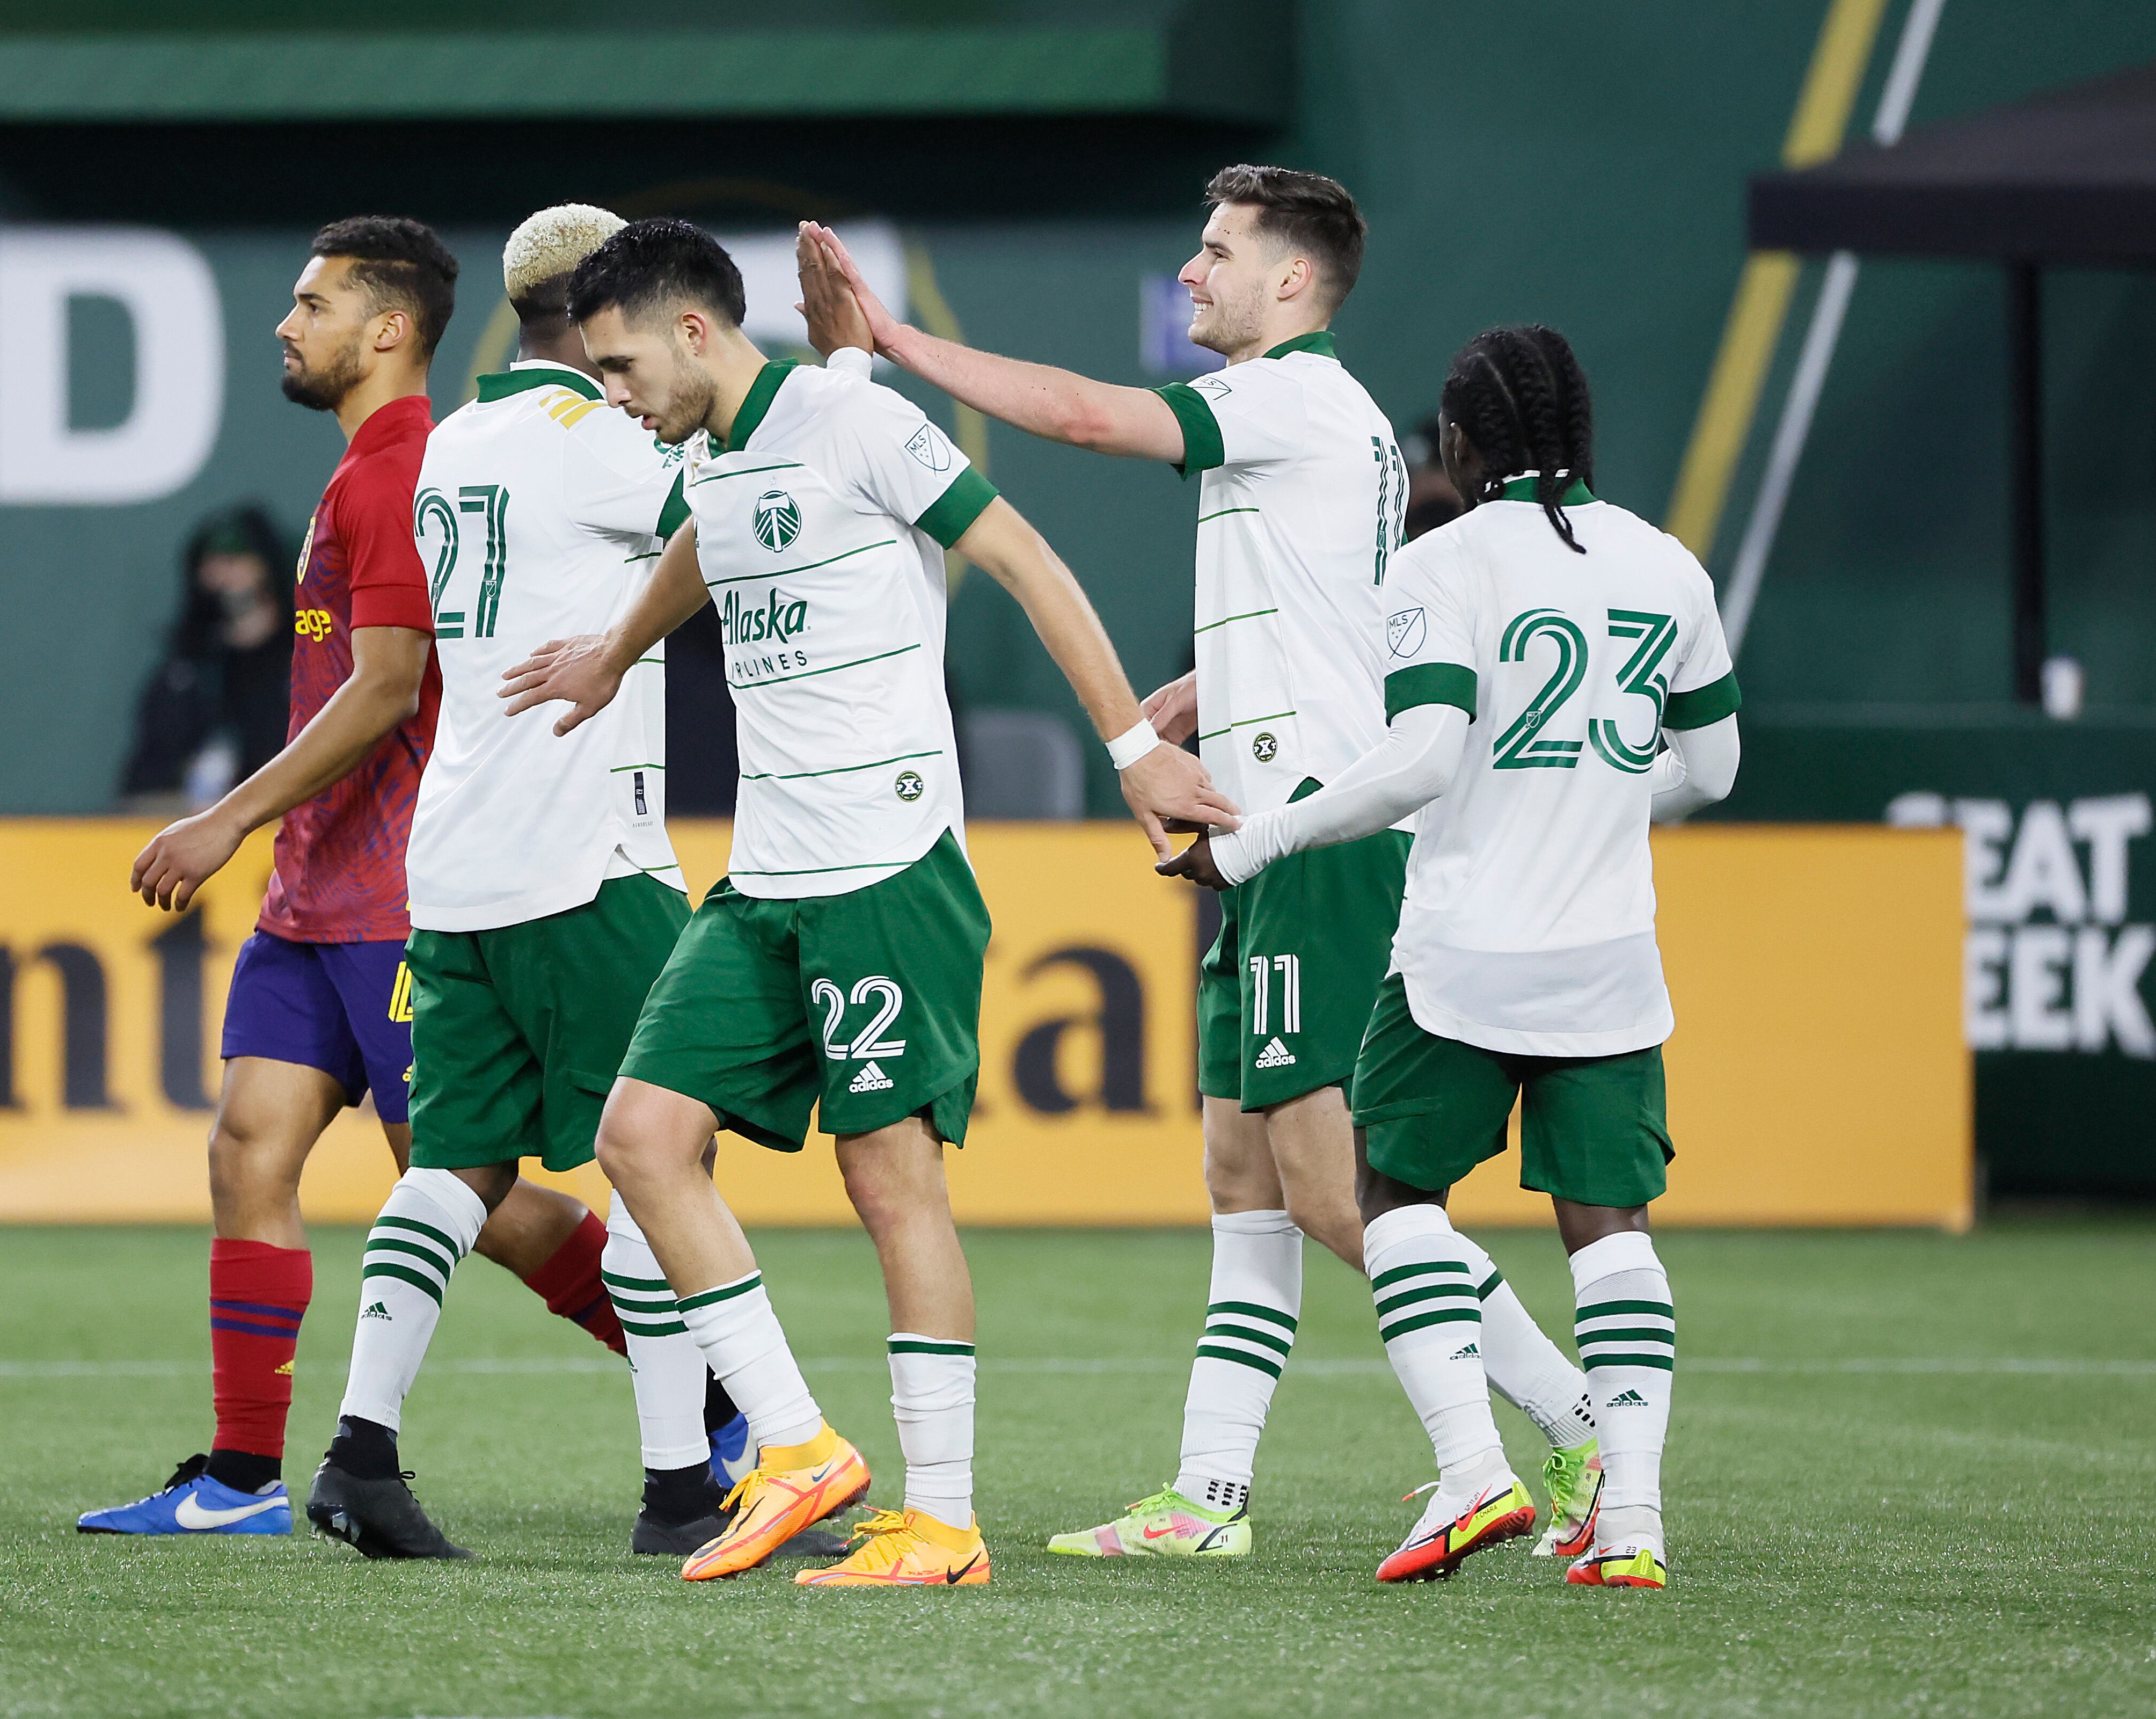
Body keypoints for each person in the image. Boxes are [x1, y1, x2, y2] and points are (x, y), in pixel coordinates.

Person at [798, 169, 1605, 1561]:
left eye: (1217, 250)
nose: (1188, 270)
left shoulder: (1286, 398)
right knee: (1242, 1177)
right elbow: (1324, 616)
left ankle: (1567, 1427)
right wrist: (1190, 698)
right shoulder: (1321, 421)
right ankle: (1208, 1497)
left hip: (1313, 840)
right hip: (1269, 834)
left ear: (1290, 280)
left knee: (1339, 1193)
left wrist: (897, 346)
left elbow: (1077, 414)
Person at [503, 218, 1236, 1588]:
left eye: (618, 366)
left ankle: (945, 1520)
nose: (613, 392)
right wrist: (610, 653)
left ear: (695, 334)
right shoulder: (709, 462)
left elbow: (1023, 558)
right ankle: (796, 1444)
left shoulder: (853, 418)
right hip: (768, 881)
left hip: (888, 867)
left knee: (888, 1179)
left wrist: (1135, 750)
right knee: (641, 1136)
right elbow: (702, 550)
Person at [302, 203, 843, 1564]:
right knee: (663, 1153)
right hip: (587, 856)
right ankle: (675, 1485)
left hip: (455, 861)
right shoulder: (610, 442)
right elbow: (756, 517)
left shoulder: (454, 444)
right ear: (612, 317)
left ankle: (361, 1449)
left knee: (452, 1165)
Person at [1161, 325, 1740, 1587]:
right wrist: (1591, 799)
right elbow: (1715, 768)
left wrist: (1254, 845)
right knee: (1612, 1228)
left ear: (1465, 444)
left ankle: (1477, 1471)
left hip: (1465, 950)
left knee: (1386, 1195)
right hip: (1608, 958)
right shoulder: (1669, 566)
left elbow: (1420, 760)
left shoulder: (1446, 560)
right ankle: (1630, 1522)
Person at [79, 216, 631, 1539]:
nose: (289, 324)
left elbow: (387, 689)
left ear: (390, 328)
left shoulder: (400, 476)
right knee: (247, 1151)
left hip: (393, 900)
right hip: (313, 897)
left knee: (466, 1201)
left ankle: (721, 1405)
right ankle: (239, 1477)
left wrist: (222, 819)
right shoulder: (358, 476)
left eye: (314, 303)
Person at [116, 507, 297, 810]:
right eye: (208, 563)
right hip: (196, 829)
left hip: (287, 826)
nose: (219, 575)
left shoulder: (309, 666)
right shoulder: (184, 678)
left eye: (234, 558)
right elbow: (140, 793)